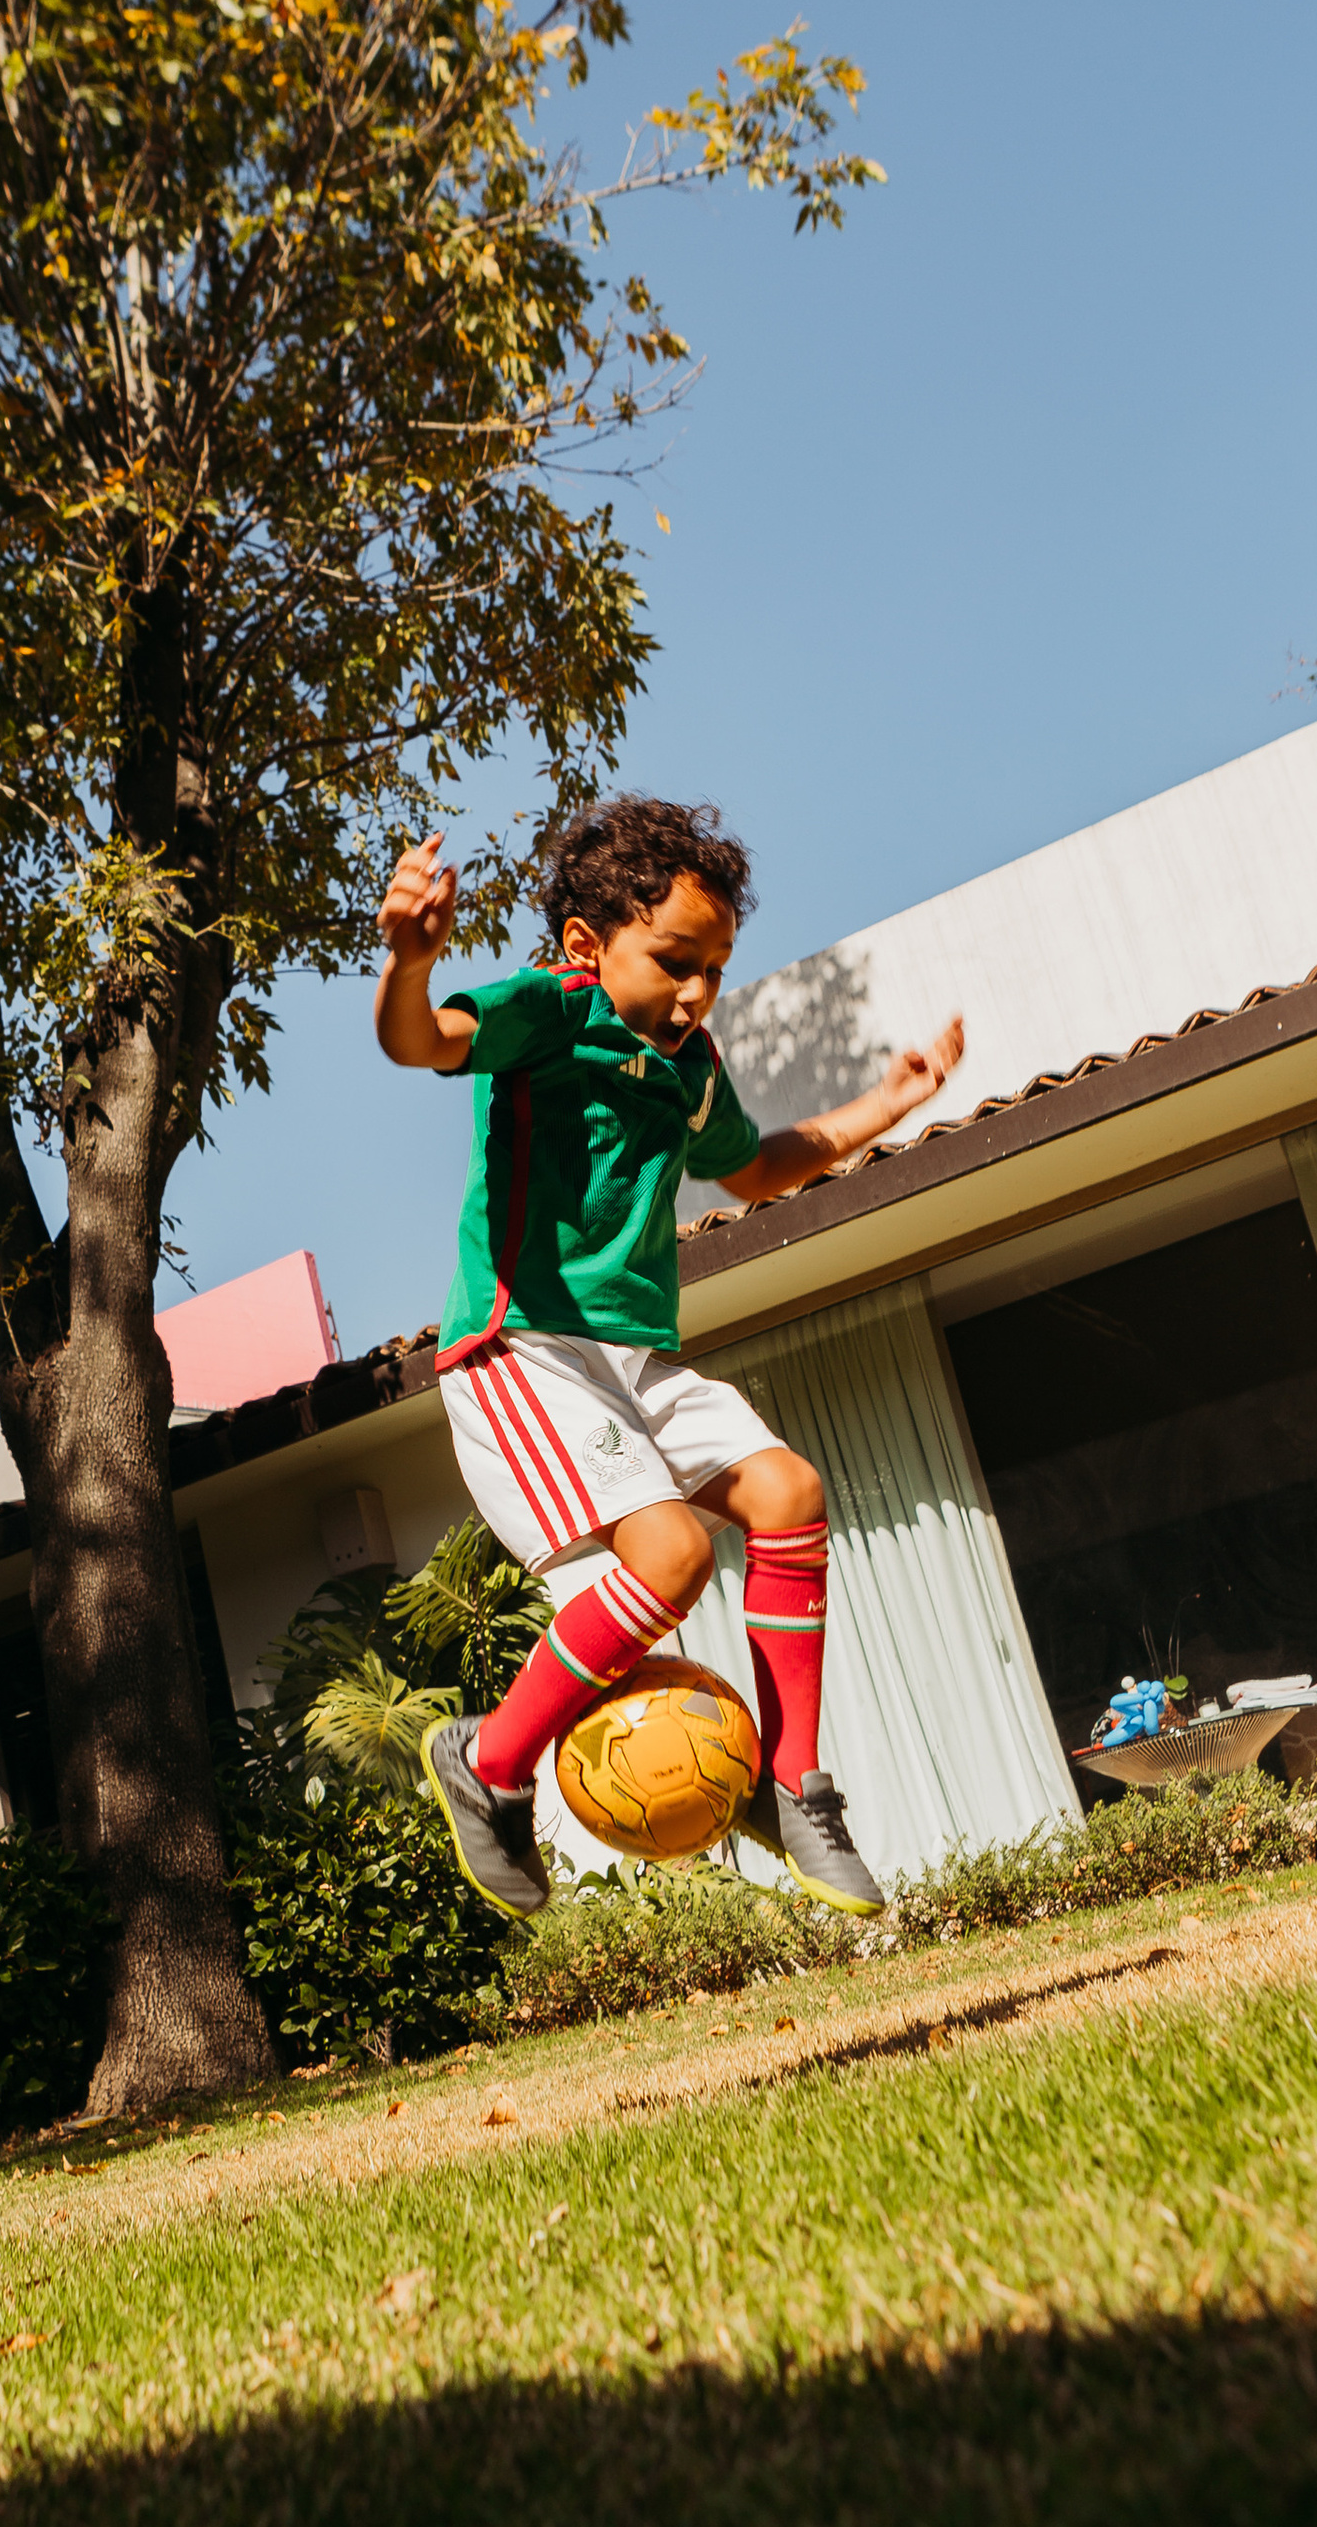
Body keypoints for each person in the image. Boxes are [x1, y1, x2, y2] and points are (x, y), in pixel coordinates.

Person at [376, 794, 963, 1923]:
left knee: (790, 1491)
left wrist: (883, 1104)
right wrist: (408, 960)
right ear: (589, 947)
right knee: (674, 1552)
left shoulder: (690, 1064)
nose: (698, 990)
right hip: (524, 1350)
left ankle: (795, 1787)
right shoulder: (550, 1014)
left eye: (716, 967)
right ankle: (489, 1762)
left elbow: (748, 1170)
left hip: (635, 1359)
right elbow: (422, 1041)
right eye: (675, 959)